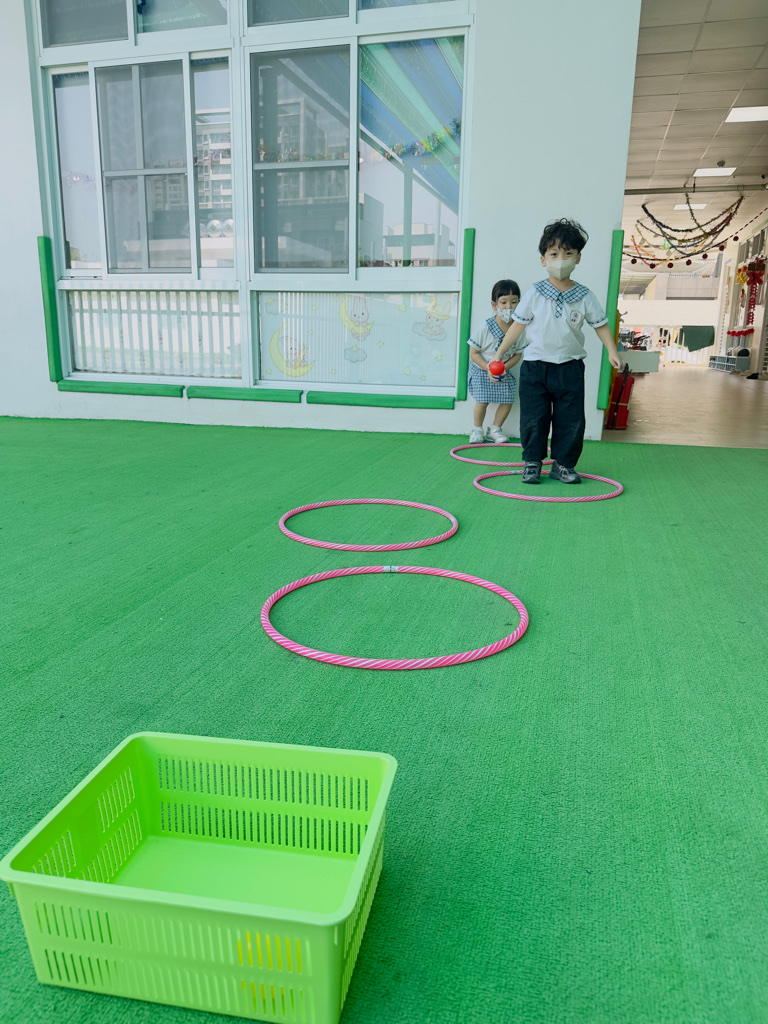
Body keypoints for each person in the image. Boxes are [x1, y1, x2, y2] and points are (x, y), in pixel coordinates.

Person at [492, 219, 624, 483]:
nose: (560, 260)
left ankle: (563, 464)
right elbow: (518, 326)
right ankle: (532, 462)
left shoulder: (585, 295)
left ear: (578, 258)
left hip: (570, 367)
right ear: (543, 260)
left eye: (568, 253)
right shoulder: (534, 293)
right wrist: (498, 355)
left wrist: (612, 350)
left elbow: (600, 324)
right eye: (554, 254)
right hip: (535, 367)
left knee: (571, 419)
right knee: (534, 418)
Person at [466, 280, 523, 444]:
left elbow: (517, 354)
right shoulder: (486, 327)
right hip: (481, 368)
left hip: (503, 369)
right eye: (503, 302)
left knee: (508, 398)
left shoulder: (519, 328)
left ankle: (495, 429)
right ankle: (477, 429)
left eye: (514, 302)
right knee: (482, 399)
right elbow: (473, 353)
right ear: (494, 305)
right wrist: (488, 368)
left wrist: (504, 367)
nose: (509, 307)